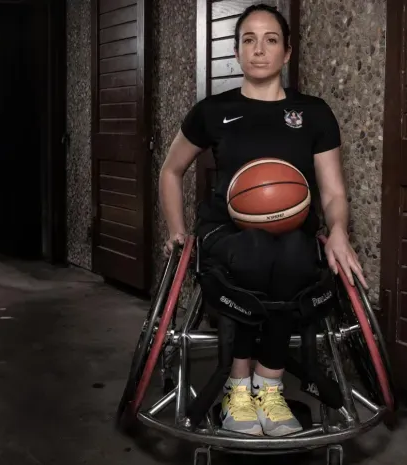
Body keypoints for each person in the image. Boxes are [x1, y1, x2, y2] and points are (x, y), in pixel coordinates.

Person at [158, 3, 366, 437]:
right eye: (248, 40)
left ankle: (268, 387)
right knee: (255, 251)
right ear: (236, 51)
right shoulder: (212, 111)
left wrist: (340, 231)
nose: (258, 49)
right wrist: (176, 230)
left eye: (270, 40)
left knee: (291, 251)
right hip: (226, 231)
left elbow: (332, 192)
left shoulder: (314, 113)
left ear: (287, 52)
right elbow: (170, 170)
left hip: (292, 231)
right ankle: (237, 386)